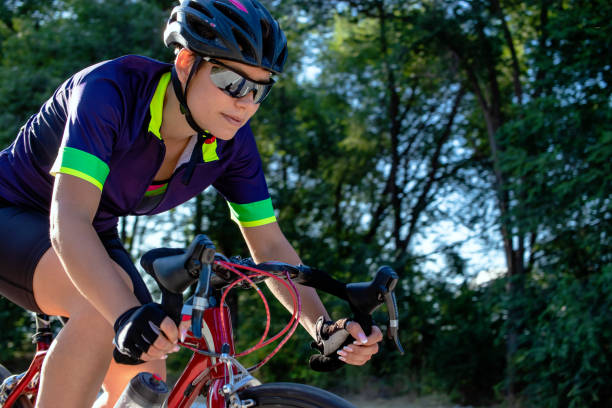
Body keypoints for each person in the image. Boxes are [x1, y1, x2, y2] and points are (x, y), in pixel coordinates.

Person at [0, 0, 383, 406]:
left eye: (260, 88)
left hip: (91, 228)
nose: (246, 102)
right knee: (101, 312)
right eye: (230, 81)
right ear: (185, 63)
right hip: (17, 211)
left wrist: (323, 327)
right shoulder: (109, 90)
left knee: (146, 370)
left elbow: (270, 247)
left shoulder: (231, 144)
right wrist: (123, 313)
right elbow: (70, 219)